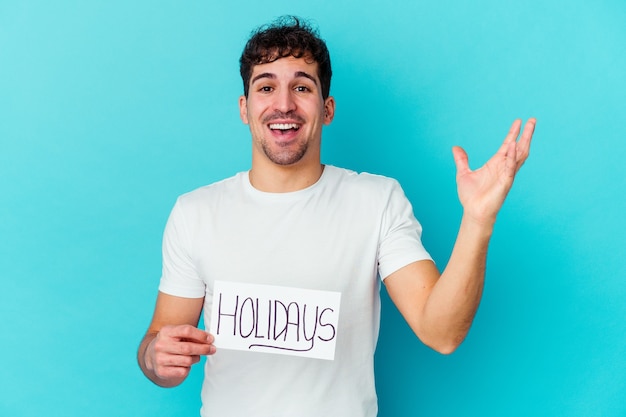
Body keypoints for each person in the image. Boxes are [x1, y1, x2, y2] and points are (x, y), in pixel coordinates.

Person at [137, 16, 536, 416]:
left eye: (301, 86)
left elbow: (442, 332)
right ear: (245, 108)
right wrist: (157, 358)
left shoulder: (377, 201)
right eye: (266, 87)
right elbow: (158, 345)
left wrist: (479, 219)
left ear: (326, 109)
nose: (283, 104)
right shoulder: (195, 213)